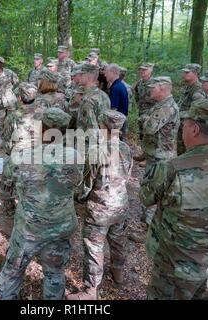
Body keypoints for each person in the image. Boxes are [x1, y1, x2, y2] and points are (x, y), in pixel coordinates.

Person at [140, 99, 208, 299]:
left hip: (176, 268)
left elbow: (146, 198)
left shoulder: (171, 168)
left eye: (185, 125)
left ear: (194, 129)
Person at [0, 108, 84, 300]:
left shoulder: (21, 157)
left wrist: (9, 213)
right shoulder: (76, 157)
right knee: (55, 273)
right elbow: (78, 188)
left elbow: (6, 187)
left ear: (42, 128)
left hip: (29, 228)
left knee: (12, 272)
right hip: (61, 225)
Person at [66, 110, 133, 300]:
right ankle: (118, 272)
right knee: (118, 239)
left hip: (99, 209)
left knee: (94, 248)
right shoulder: (125, 148)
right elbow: (127, 175)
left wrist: (79, 198)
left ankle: (90, 291)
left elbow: (87, 184)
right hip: (121, 204)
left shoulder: (97, 151)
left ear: (103, 127)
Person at [0, 82, 39, 237]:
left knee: (7, 186)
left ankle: (9, 219)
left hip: (17, 155)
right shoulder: (43, 113)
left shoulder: (14, 114)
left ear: (20, 97)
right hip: (37, 156)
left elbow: (6, 138)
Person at [140, 76, 179, 174]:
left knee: (152, 187)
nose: (150, 90)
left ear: (162, 88)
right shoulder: (161, 104)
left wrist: (146, 118)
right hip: (156, 154)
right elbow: (144, 119)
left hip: (160, 157)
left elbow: (149, 128)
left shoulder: (166, 107)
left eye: (153, 88)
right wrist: (147, 119)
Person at [177, 63, 205, 155]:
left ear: (195, 73)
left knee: (189, 151)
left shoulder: (198, 89)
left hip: (191, 125)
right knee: (181, 149)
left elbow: (198, 110)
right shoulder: (188, 86)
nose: (184, 74)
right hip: (183, 124)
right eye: (184, 72)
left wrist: (178, 114)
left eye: (187, 72)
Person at [0, 56, 19, 133]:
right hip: (0, 101)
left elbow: (16, 82)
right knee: (1, 120)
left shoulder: (9, 72)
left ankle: (14, 136)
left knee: (12, 118)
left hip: (10, 100)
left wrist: (12, 92)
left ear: (2, 64)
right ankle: (4, 138)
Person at [133, 63, 155, 162]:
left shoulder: (155, 83)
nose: (142, 72)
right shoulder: (139, 83)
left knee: (150, 134)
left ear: (151, 70)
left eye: (145, 70)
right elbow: (136, 95)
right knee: (142, 133)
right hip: (142, 111)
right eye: (141, 70)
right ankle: (144, 153)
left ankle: (149, 157)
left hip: (151, 113)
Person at [105, 64, 129, 141]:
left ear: (113, 72)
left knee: (114, 148)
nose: (105, 75)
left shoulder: (116, 88)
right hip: (121, 121)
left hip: (117, 123)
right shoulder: (120, 85)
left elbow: (113, 110)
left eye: (107, 73)